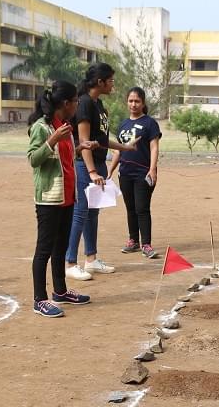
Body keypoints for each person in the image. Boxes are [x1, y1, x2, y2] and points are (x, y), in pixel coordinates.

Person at [27, 80, 97, 318]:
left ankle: (60, 291)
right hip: (48, 198)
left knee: (61, 247)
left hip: (67, 197)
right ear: (66, 103)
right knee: (44, 249)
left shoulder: (65, 126)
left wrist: (80, 147)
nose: (78, 105)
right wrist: (53, 139)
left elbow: (61, 158)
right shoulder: (42, 127)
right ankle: (39, 299)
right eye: (76, 101)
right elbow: (34, 159)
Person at [65, 63, 139, 280]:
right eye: (111, 80)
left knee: (93, 212)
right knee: (80, 213)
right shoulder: (85, 103)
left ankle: (91, 259)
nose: (113, 84)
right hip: (84, 165)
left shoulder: (98, 105)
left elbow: (102, 141)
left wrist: (125, 148)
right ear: (100, 82)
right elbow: (85, 142)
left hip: (97, 164)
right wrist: (91, 172)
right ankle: (70, 262)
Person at [108, 87, 162, 260]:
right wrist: (110, 170)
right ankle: (133, 241)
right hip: (125, 173)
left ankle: (146, 244)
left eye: (137, 101)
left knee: (142, 208)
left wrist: (152, 168)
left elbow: (154, 147)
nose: (133, 104)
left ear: (143, 103)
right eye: (130, 101)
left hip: (143, 173)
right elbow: (118, 150)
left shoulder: (150, 123)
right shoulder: (123, 124)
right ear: (127, 102)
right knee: (130, 208)